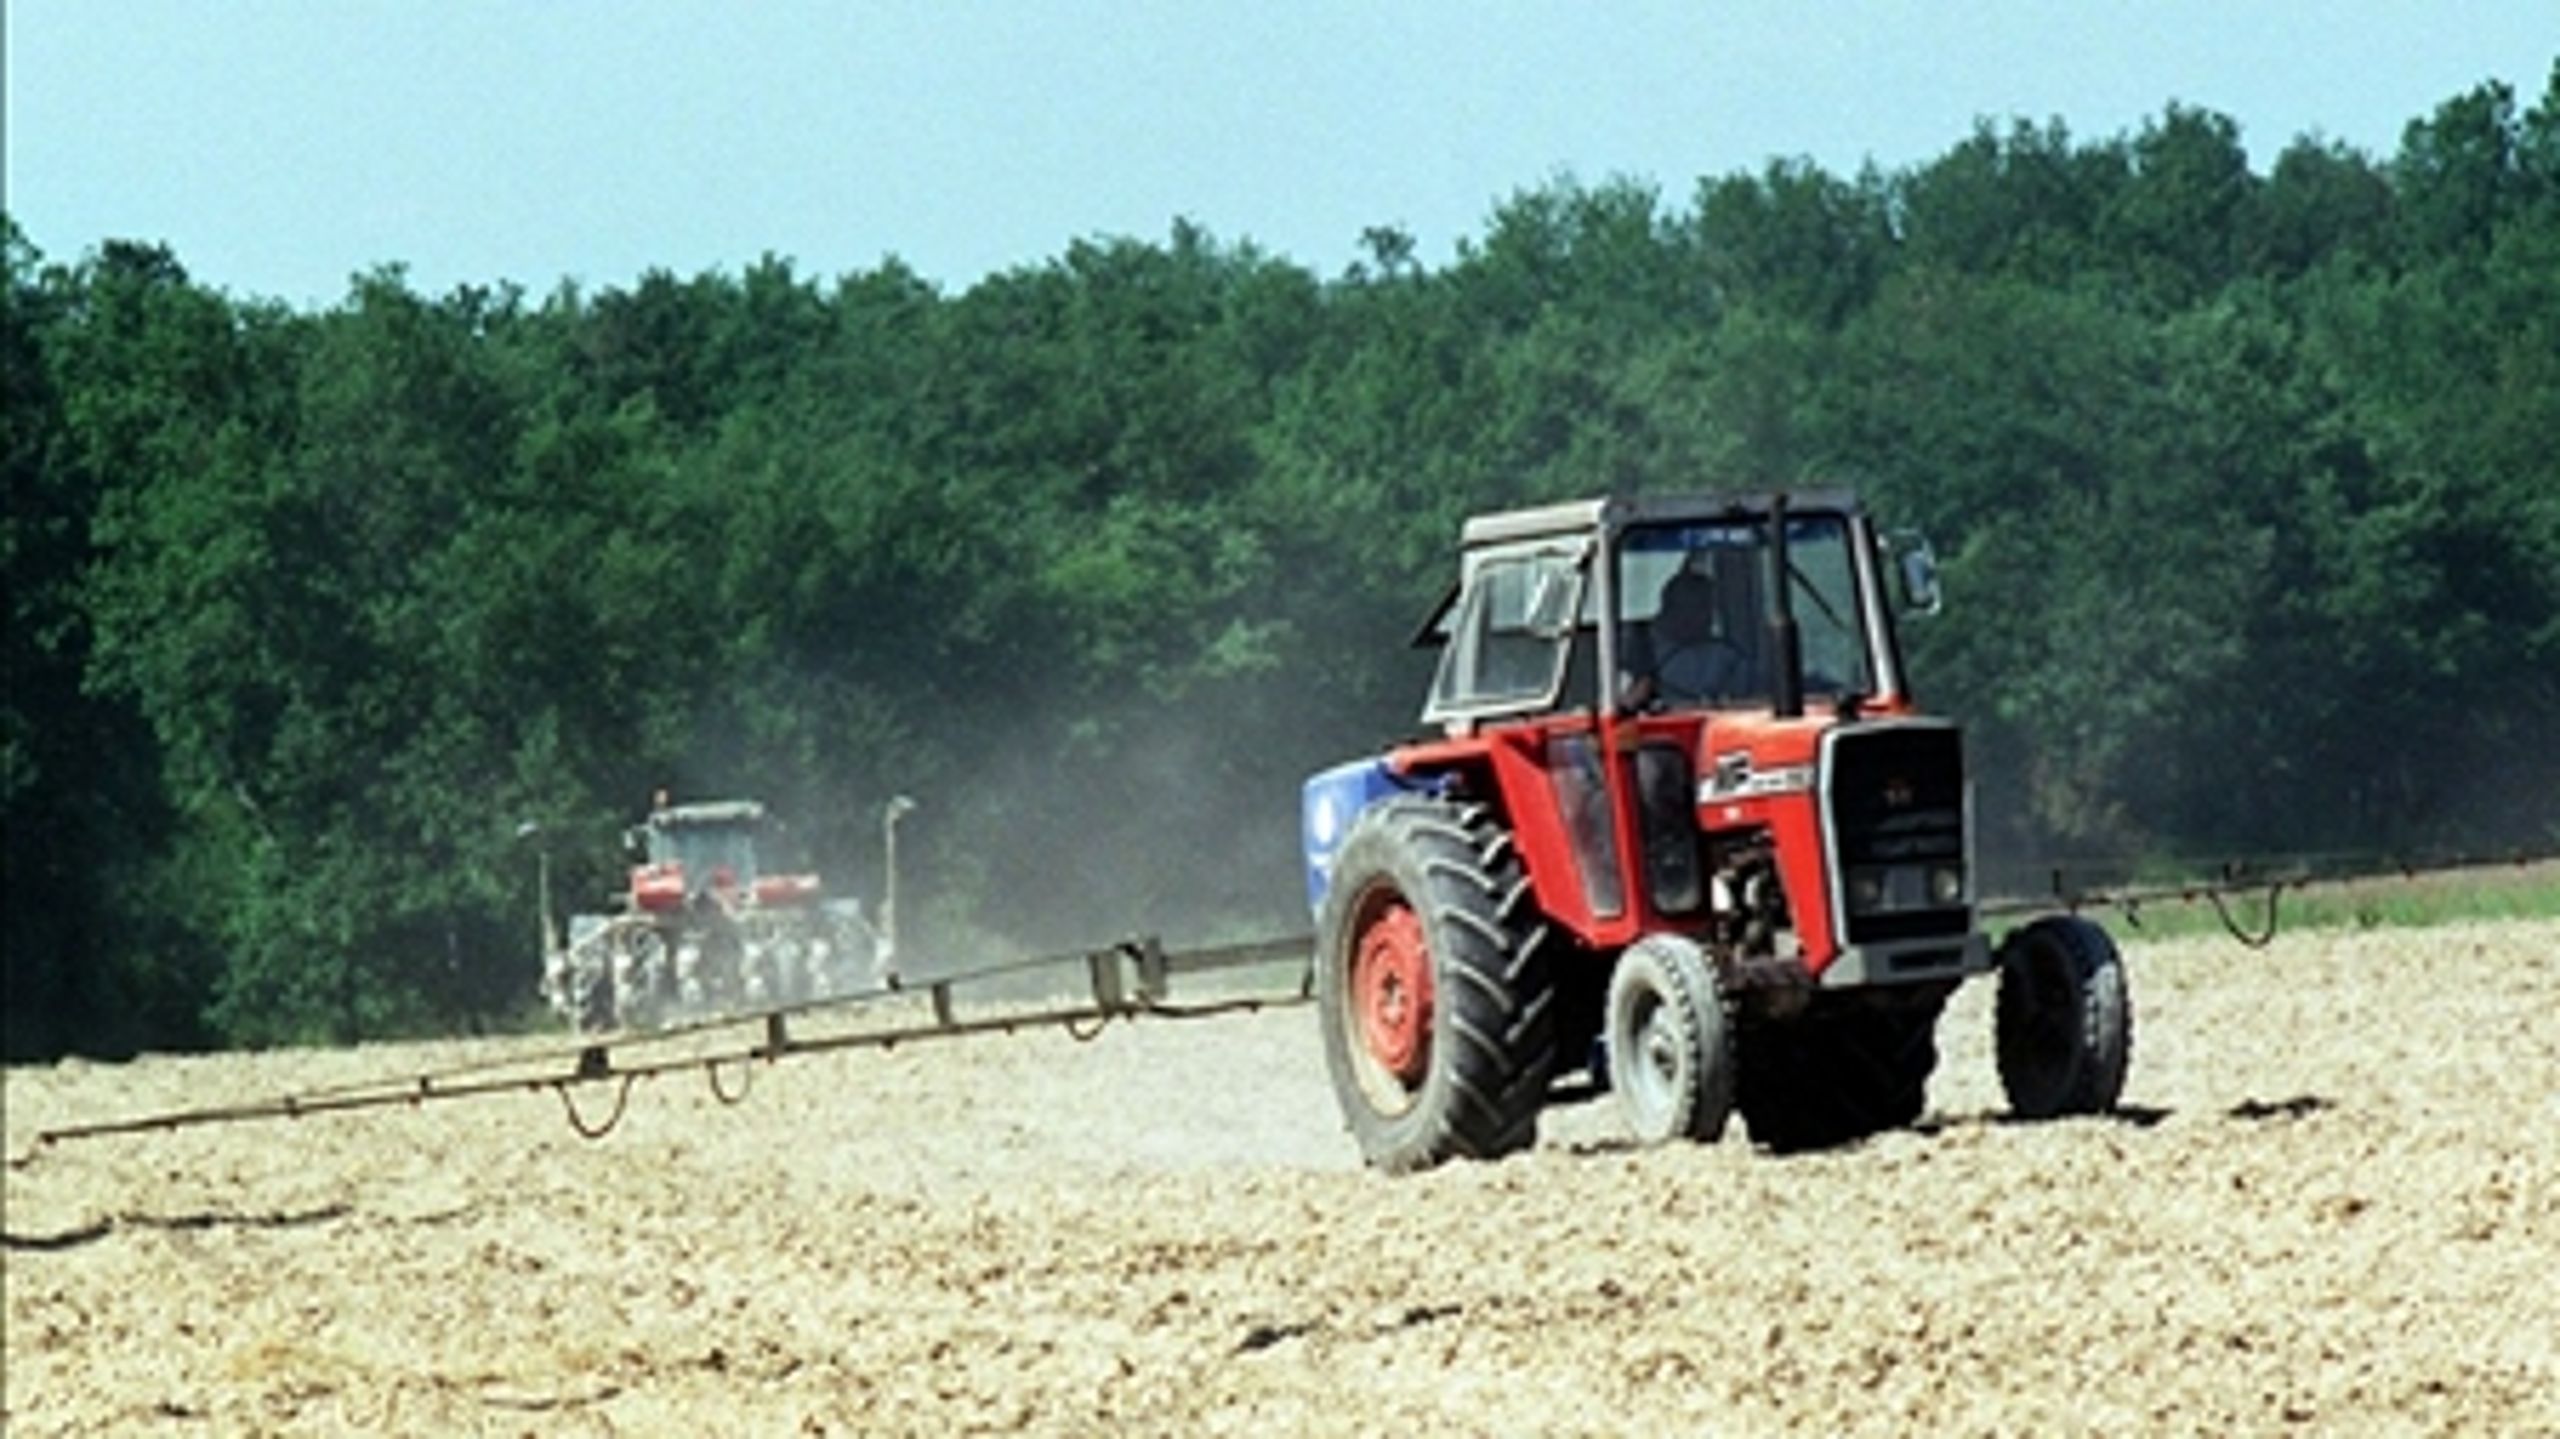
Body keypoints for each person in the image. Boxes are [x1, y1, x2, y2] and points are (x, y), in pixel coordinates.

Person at [1624, 567, 1749, 708]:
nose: (1701, 616)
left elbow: (1750, 699)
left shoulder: (1727, 658)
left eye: (1705, 607)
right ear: (1668, 608)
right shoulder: (1640, 650)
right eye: (1690, 606)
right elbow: (1624, 705)